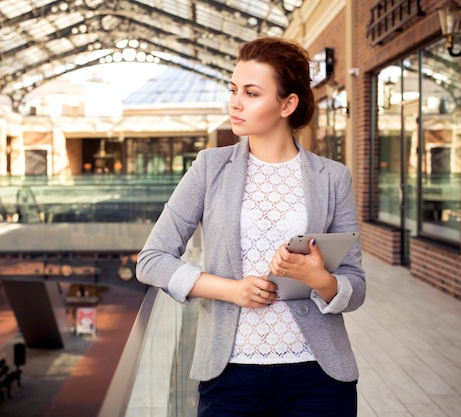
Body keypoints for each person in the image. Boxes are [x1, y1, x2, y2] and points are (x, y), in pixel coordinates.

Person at [136, 37, 366, 417]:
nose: (236, 102)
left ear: (287, 104)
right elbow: (151, 260)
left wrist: (318, 279)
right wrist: (231, 290)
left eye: (252, 92)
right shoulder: (210, 167)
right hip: (230, 377)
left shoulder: (332, 178)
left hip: (317, 376)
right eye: (233, 90)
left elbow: (355, 286)